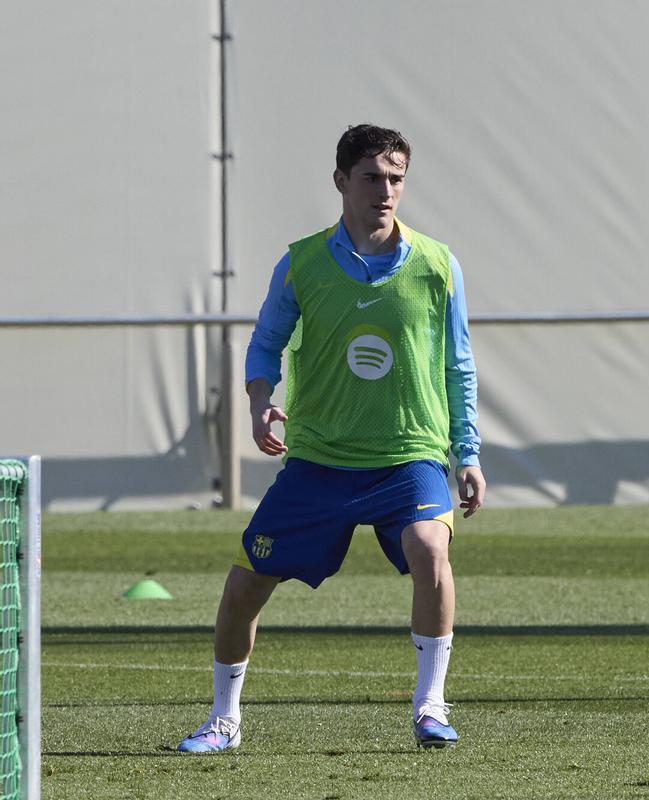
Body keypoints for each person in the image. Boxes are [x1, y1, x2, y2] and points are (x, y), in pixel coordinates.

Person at [178, 123, 485, 751]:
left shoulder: (437, 264)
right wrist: (262, 401)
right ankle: (225, 718)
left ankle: (430, 705)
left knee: (431, 547)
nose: (386, 190)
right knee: (243, 588)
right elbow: (265, 344)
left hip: (409, 455)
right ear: (341, 180)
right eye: (373, 177)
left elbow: (459, 364)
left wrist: (468, 452)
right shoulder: (302, 262)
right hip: (319, 459)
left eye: (397, 178)